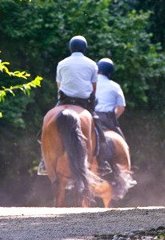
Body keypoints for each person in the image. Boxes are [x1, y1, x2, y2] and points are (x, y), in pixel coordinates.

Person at [38, 36, 111, 176]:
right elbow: (93, 87)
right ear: (85, 48)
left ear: (71, 48)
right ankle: (102, 163)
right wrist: (91, 101)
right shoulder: (92, 64)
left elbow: (59, 86)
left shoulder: (62, 63)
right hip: (83, 102)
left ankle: (43, 162)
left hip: (64, 100)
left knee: (43, 130)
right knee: (99, 132)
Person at [95, 58, 126, 139]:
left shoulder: (89, 84)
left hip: (91, 117)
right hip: (107, 118)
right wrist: (113, 117)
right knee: (123, 143)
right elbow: (121, 108)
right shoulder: (115, 86)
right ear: (110, 73)